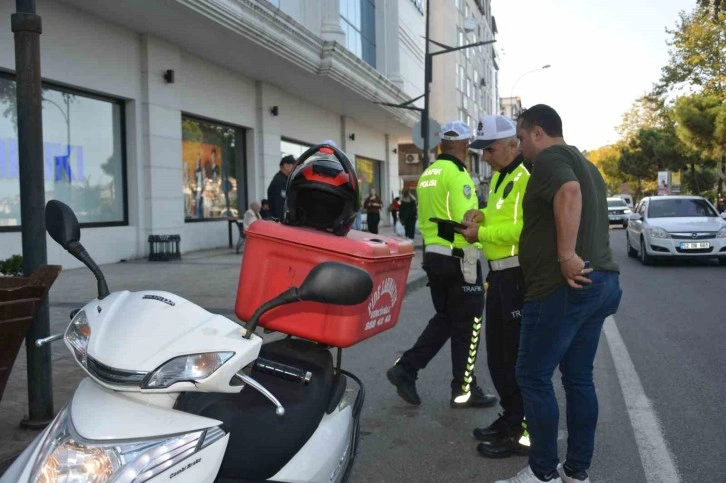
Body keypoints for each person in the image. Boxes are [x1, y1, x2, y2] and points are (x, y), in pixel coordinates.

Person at [495, 105, 622, 483]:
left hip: (561, 288)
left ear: (538, 133)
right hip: (598, 284)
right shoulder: (588, 165)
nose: (520, 148)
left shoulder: (551, 158)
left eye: (520, 138)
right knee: (579, 378)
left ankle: (542, 473)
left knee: (532, 377)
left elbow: (568, 194)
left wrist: (566, 256)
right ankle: (577, 472)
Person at [386, 120, 497, 409]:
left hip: (434, 257)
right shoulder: (458, 174)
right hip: (459, 257)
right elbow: (467, 221)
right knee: (470, 324)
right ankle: (464, 389)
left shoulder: (428, 174)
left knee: (447, 318)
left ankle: (406, 369)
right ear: (462, 146)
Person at [459, 114, 531, 459]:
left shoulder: (525, 177)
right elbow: (504, 218)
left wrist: (481, 233)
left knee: (514, 359)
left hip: (517, 277)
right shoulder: (504, 177)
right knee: (498, 357)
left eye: (489, 150)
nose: (484, 157)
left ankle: (520, 432)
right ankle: (510, 418)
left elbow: (524, 230)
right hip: (499, 276)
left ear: (513, 145)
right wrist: (480, 216)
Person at [267, 154, 297, 220]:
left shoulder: (284, 180)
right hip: (278, 222)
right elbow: (280, 205)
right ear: (285, 166)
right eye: (293, 165)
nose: (295, 168)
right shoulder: (279, 181)